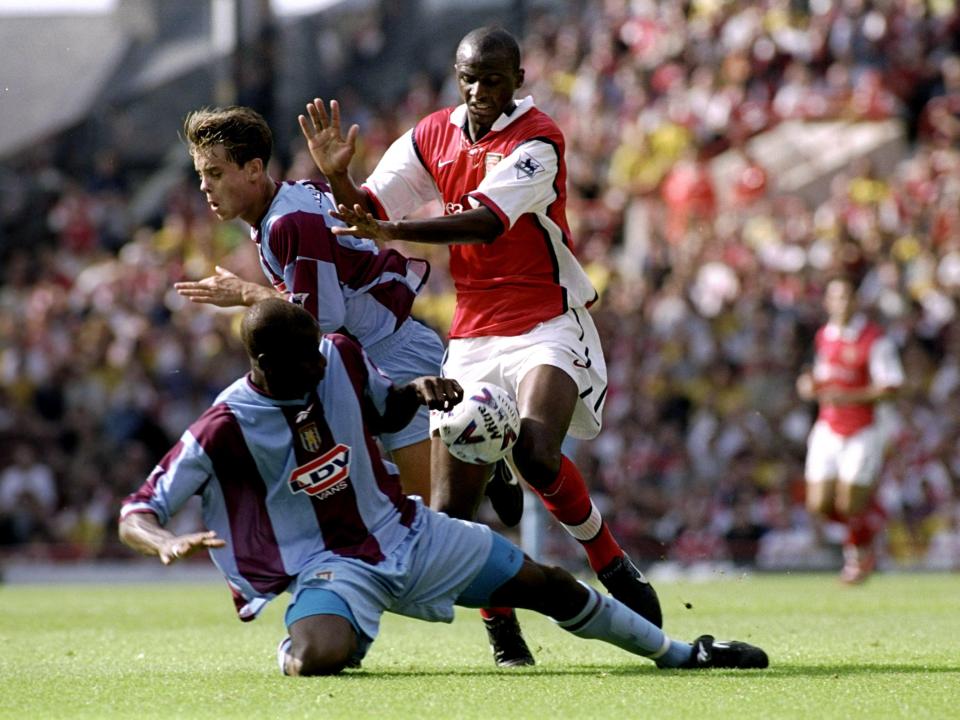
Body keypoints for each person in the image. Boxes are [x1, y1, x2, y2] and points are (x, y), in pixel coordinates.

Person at [118, 299, 768, 676]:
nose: (320, 363)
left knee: (549, 586)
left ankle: (683, 654)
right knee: (323, 659)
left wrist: (416, 395)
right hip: (329, 564)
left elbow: (388, 409)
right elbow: (137, 509)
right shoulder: (222, 428)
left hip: (407, 529)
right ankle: (302, 639)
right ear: (262, 366)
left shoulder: (337, 354)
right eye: (303, 360)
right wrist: (160, 540)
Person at [298, 25, 662, 665]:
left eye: (493, 78)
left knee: (539, 454)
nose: (479, 90)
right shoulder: (431, 134)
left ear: (518, 79)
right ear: (456, 76)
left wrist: (390, 226)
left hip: (546, 319)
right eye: (469, 78)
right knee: (448, 512)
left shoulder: (539, 139)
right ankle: (500, 622)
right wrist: (342, 180)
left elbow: (488, 221)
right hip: (472, 333)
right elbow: (368, 210)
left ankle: (610, 560)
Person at [173, 106, 520, 523]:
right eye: (200, 176)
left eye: (214, 173)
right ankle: (479, 445)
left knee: (434, 520)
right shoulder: (288, 203)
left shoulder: (289, 222)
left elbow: (322, 319)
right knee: (369, 502)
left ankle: (483, 445)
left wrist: (247, 293)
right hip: (365, 362)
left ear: (252, 169)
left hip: (394, 359)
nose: (205, 187)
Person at [796, 275, 904, 584]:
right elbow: (816, 375)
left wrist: (850, 396)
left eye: (844, 297)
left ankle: (859, 553)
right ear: (827, 302)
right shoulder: (823, 336)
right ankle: (867, 535)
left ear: (855, 301)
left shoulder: (874, 339)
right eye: (834, 297)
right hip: (828, 426)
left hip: (862, 429)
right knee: (817, 504)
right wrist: (807, 385)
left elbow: (892, 386)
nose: (839, 303)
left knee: (848, 503)